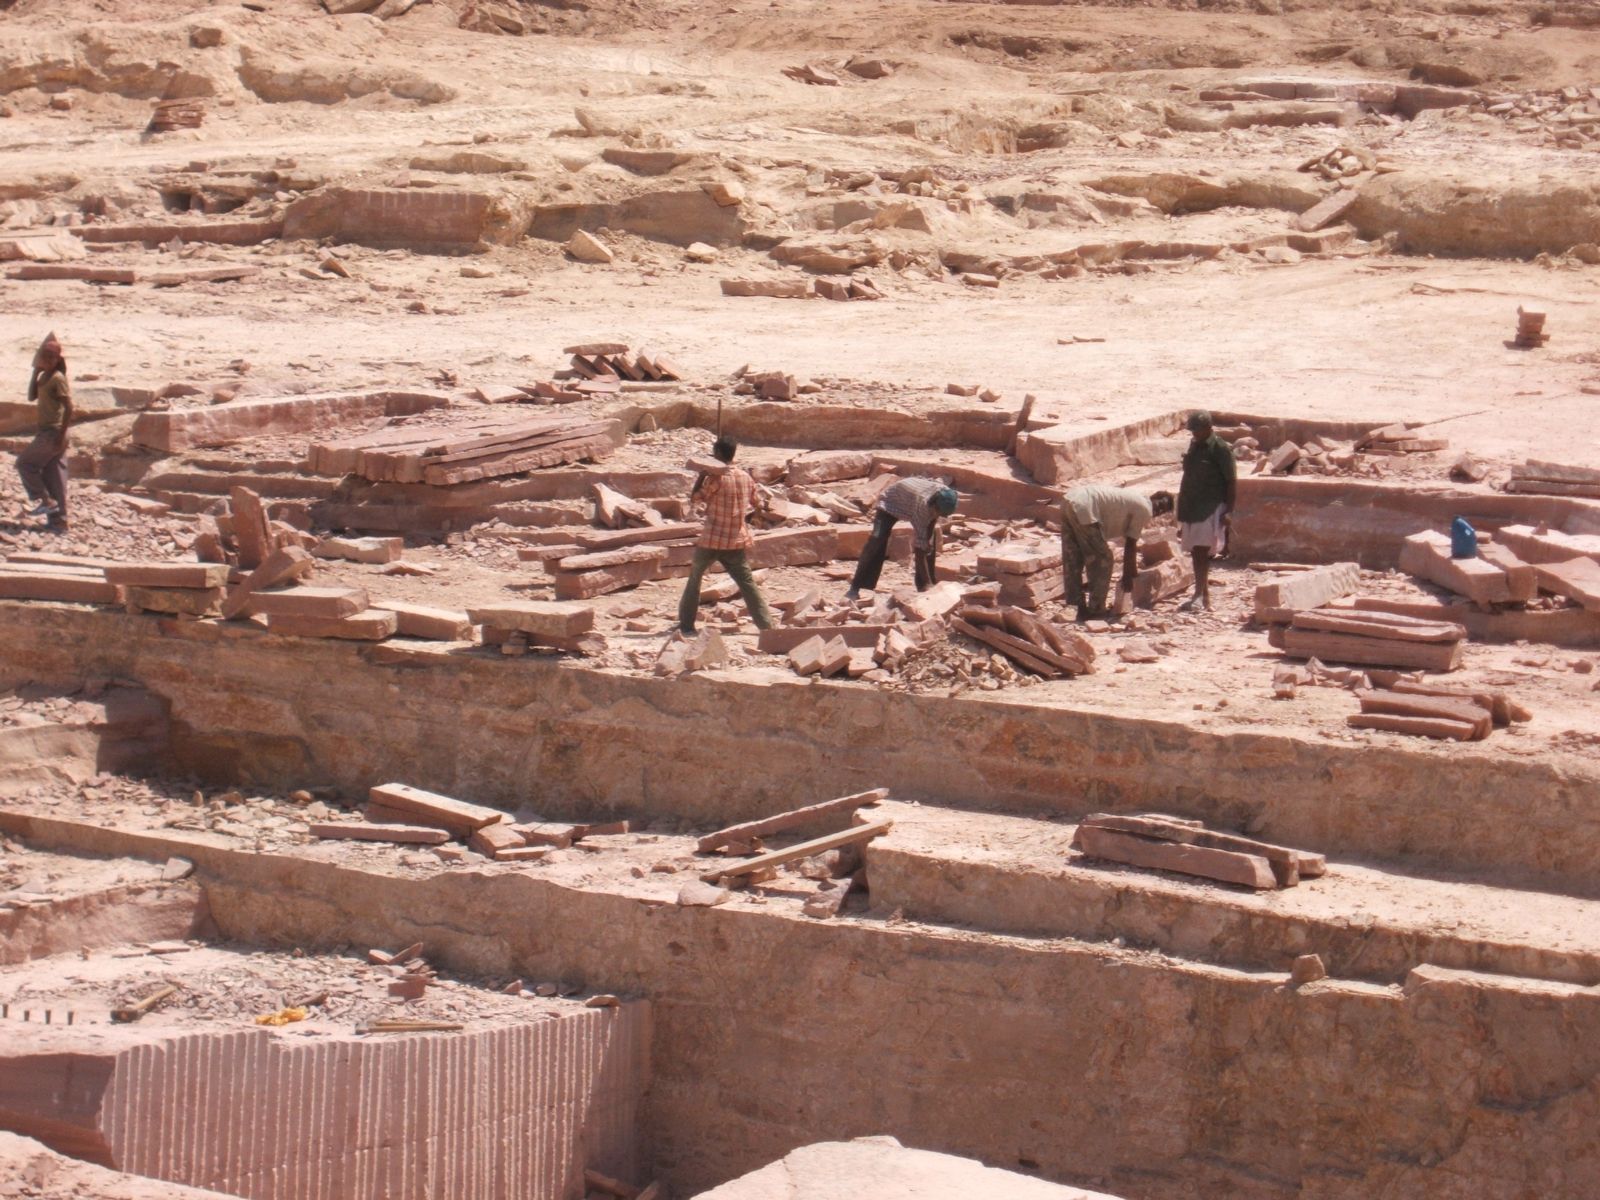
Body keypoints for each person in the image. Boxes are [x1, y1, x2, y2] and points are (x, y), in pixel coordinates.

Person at [678, 436, 773, 636]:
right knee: (747, 584)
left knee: (694, 580)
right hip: (735, 539)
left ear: (718, 454)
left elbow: (695, 498)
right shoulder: (746, 477)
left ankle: (686, 625)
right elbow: (757, 503)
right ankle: (767, 626)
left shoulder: (715, 479)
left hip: (712, 539)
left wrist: (702, 475)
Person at [1060, 485, 1174, 620]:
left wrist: (1131, 572)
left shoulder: (1135, 499)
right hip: (1086, 506)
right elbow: (1130, 544)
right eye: (1161, 506)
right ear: (1155, 502)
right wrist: (1128, 575)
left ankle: (1075, 604)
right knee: (1103, 559)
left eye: (1162, 510)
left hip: (1069, 499)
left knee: (1073, 557)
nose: (1158, 511)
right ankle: (1096, 609)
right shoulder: (1145, 508)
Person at [845, 476, 958, 600]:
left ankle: (925, 586)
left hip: (910, 500)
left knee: (929, 542)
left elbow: (932, 519)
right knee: (877, 539)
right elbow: (919, 550)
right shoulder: (924, 506)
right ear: (934, 504)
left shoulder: (946, 494)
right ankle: (858, 586)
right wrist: (925, 541)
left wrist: (928, 539)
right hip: (891, 502)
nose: (939, 515)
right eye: (938, 511)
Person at [1176, 410, 1236, 612]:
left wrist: (1229, 510)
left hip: (1209, 505)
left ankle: (1199, 595)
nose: (1194, 434)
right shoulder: (1195, 445)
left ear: (1208, 428)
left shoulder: (1220, 448)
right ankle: (1203, 596)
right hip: (1191, 505)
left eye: (1197, 430)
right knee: (1195, 551)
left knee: (1202, 550)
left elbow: (1231, 481)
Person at [17, 332, 71, 532]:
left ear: (57, 360)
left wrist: (60, 435)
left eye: (51, 357)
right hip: (49, 432)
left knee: (25, 464)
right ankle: (58, 523)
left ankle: (45, 501)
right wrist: (35, 373)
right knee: (54, 476)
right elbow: (32, 396)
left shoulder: (58, 378)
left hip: (53, 432)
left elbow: (69, 408)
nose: (47, 360)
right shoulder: (44, 377)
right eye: (44, 356)